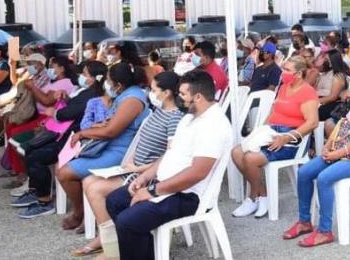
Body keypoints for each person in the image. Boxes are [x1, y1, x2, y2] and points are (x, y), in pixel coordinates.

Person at [105, 70, 231, 260]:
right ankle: (146, 252)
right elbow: (169, 153)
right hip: (166, 183)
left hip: (188, 195)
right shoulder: (189, 118)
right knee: (115, 201)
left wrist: (153, 191)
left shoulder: (214, 125)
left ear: (197, 97)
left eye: (182, 94)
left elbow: (197, 173)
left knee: (127, 222)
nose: (179, 98)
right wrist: (145, 176)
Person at [71, 71, 185, 254]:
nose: (150, 93)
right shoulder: (159, 111)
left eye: (154, 90)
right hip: (135, 167)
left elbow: (170, 155)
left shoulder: (174, 118)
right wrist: (131, 160)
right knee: (88, 181)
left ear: (167, 93)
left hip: (148, 174)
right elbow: (141, 140)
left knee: (95, 188)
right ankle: (108, 236)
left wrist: (140, 168)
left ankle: (111, 244)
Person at [284, 65, 350, 247]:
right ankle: (304, 221)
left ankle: (325, 231)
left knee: (324, 178)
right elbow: (340, 126)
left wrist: (337, 154)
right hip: (341, 152)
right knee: (305, 172)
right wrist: (327, 146)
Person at [56, 63, 149, 231]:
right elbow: (112, 124)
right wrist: (100, 125)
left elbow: (111, 132)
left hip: (119, 152)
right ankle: (85, 213)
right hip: (110, 146)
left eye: (108, 80)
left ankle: (80, 213)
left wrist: (83, 134)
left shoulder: (132, 100)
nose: (106, 84)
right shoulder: (126, 95)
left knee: (64, 173)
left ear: (119, 85)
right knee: (64, 166)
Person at [14, 61, 106, 218]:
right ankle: (37, 191)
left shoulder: (91, 95)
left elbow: (68, 113)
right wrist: (66, 98)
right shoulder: (86, 91)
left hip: (73, 140)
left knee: (36, 156)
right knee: (30, 149)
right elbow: (72, 107)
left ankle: (44, 202)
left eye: (85, 74)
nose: (81, 77)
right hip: (65, 133)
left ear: (94, 78)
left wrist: (54, 112)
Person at [232, 57, 319, 218]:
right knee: (236, 153)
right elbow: (273, 112)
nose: (283, 73)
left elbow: (312, 122)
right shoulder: (285, 87)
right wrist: (262, 129)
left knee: (250, 159)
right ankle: (261, 195)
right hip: (272, 131)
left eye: (287, 70)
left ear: (299, 74)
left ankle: (254, 197)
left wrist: (286, 138)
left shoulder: (307, 92)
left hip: (291, 138)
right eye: (284, 68)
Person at [315, 49, 350, 122]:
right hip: (321, 101)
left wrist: (315, 101)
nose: (323, 61)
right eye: (324, 58)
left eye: (326, 59)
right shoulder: (324, 73)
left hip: (331, 104)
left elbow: (333, 97)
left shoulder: (338, 77)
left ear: (332, 62)